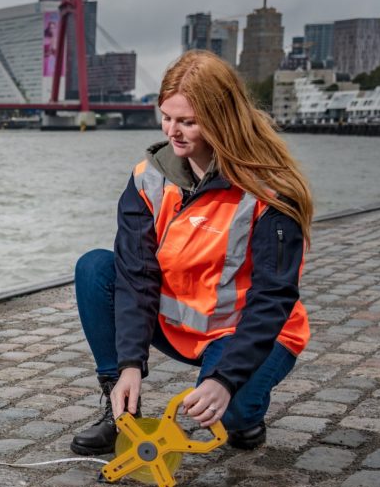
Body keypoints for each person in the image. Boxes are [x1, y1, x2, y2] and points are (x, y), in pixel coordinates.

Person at [70, 50, 313, 456]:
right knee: (96, 268)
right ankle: (120, 410)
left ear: (222, 119)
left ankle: (246, 417)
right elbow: (136, 274)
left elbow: (273, 296)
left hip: (247, 332)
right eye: (166, 117)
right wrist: (129, 365)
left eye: (187, 122)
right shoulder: (148, 178)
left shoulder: (270, 190)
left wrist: (223, 379)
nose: (172, 132)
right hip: (177, 326)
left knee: (229, 413)